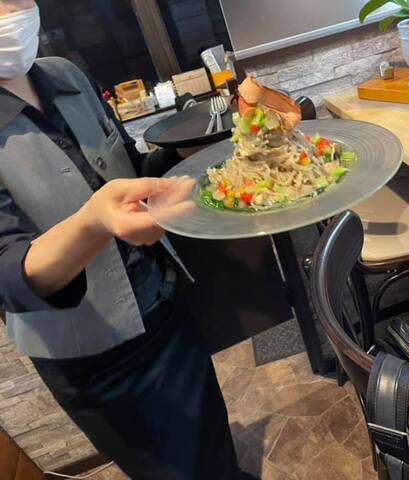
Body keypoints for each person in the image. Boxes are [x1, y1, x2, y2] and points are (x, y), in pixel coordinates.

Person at [0, 1, 246, 478]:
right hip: (96, 355)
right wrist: (92, 223)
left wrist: (189, 155)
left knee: (212, 441)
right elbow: (8, 276)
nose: (12, 9)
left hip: (162, 302)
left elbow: (126, 171)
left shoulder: (66, 75)